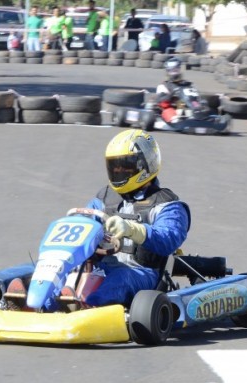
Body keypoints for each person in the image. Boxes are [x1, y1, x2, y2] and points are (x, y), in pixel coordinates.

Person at [83, 129, 190, 307]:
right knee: (54, 271)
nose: (118, 171)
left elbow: (169, 238)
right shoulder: (103, 199)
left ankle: (87, 309)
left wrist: (133, 230)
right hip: (100, 268)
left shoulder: (166, 204)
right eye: (114, 166)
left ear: (146, 164)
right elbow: (84, 222)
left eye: (125, 166)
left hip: (141, 272)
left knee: (119, 279)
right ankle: (35, 301)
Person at [155, 57, 194, 123]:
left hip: (185, 107)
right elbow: (161, 102)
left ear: (179, 70)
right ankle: (175, 120)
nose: (174, 72)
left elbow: (193, 98)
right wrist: (172, 94)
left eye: (176, 70)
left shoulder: (187, 84)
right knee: (168, 110)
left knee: (192, 109)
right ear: (168, 71)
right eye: (172, 71)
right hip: (170, 108)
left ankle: (195, 119)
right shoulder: (164, 85)